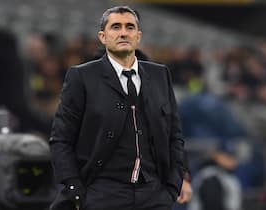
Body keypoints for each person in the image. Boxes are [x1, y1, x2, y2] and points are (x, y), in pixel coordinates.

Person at [49, 6, 186, 210]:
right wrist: (75, 190)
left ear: (138, 36)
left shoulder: (160, 74)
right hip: (102, 194)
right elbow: (61, 139)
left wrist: (172, 186)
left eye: (130, 27)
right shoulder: (82, 77)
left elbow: (174, 135)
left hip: (154, 195)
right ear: (103, 37)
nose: (123, 32)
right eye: (116, 27)